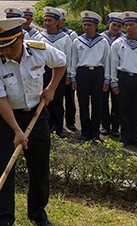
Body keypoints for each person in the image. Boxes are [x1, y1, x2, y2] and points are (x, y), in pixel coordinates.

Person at [0, 17, 66, 226]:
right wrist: (17, 130)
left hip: (36, 115)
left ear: (21, 37)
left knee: (39, 167)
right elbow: (0, 100)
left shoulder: (40, 50)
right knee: (2, 169)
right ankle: (3, 221)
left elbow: (61, 63)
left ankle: (38, 214)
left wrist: (51, 88)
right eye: (1, 47)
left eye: (10, 46)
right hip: (5, 117)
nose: (6, 51)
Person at [107, 11, 137, 151]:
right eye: (126, 25)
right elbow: (113, 64)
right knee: (123, 108)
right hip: (124, 78)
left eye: (131, 24)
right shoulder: (118, 43)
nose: (128, 27)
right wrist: (114, 82)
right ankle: (125, 136)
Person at [69, 11, 109, 141]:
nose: (86, 27)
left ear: (96, 26)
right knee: (83, 103)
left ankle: (95, 133)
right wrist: (73, 77)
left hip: (98, 73)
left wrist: (107, 79)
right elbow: (73, 60)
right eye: (84, 24)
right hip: (82, 73)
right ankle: (85, 131)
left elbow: (107, 61)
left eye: (89, 25)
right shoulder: (77, 41)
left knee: (98, 103)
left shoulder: (103, 42)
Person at [37, 7, 73, 137]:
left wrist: (69, 74)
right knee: (43, 99)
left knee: (58, 99)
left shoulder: (65, 38)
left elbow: (69, 57)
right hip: (44, 70)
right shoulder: (39, 37)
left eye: (50, 20)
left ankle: (58, 128)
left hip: (59, 71)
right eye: (45, 20)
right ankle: (45, 127)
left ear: (57, 22)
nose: (47, 23)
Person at [100, 12, 124, 137]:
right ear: (108, 24)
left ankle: (115, 127)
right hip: (102, 74)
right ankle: (104, 125)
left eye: (119, 26)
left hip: (117, 75)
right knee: (103, 101)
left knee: (117, 102)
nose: (116, 28)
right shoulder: (100, 38)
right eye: (114, 24)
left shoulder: (124, 40)